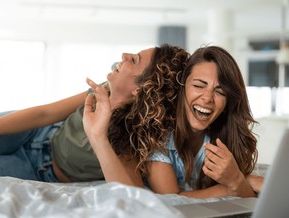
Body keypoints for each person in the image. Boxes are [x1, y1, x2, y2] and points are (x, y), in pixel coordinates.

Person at [0, 44, 190, 183]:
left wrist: (100, 135)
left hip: (39, 170)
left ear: (140, 89)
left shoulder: (134, 141)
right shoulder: (103, 89)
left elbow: (132, 192)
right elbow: (45, 113)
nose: (124, 55)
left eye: (133, 60)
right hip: (32, 133)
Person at [84, 45, 263, 198]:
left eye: (220, 91)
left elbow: (245, 197)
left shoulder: (225, 137)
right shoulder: (157, 135)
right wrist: (238, 182)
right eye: (199, 86)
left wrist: (237, 182)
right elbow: (170, 200)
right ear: (182, 88)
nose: (208, 97)